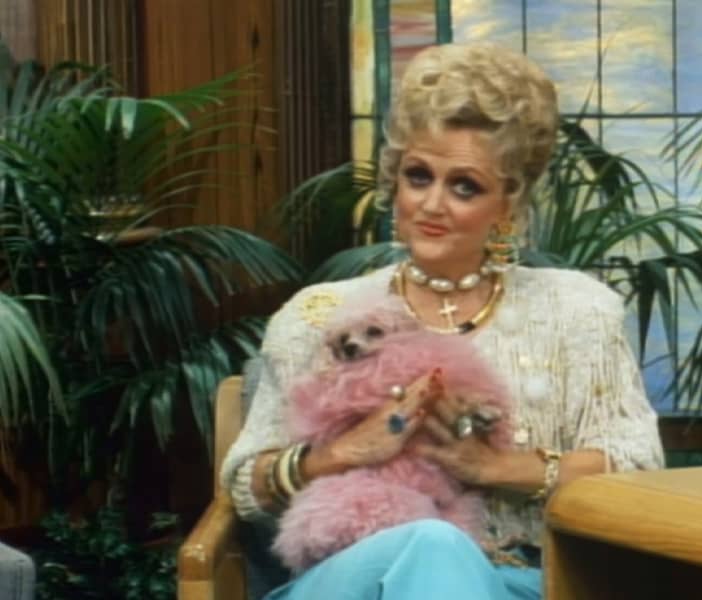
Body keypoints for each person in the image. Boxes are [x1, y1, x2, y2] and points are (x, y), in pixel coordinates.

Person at [221, 41, 665, 600]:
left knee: (442, 552)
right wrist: (341, 452)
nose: (431, 204)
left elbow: (637, 466)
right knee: (432, 543)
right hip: (349, 581)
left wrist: (493, 466)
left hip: (523, 583)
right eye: (418, 176)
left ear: (508, 203)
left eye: (464, 186)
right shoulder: (320, 315)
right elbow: (243, 487)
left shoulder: (578, 311)